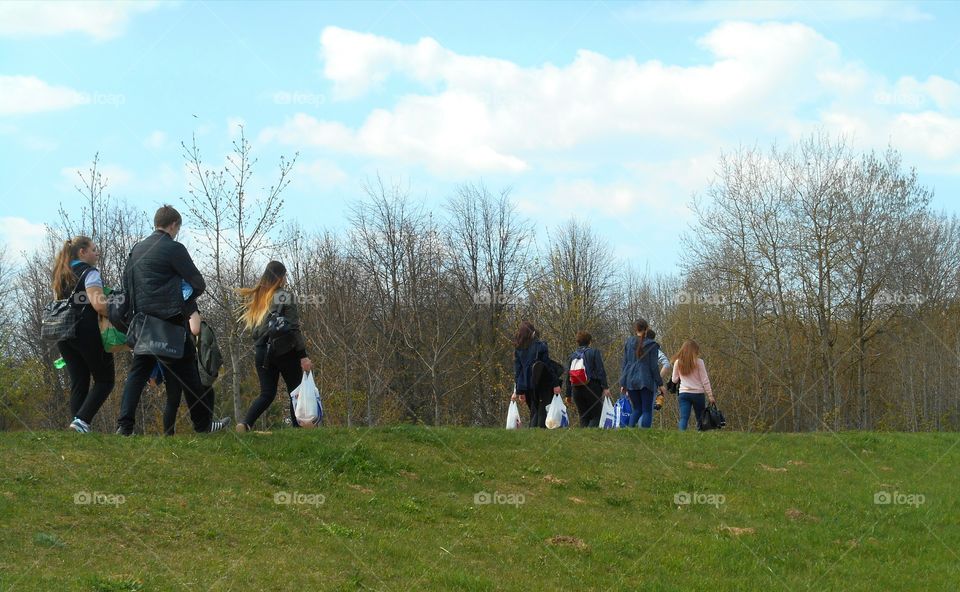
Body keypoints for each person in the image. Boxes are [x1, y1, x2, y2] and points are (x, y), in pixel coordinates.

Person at [115, 205, 230, 435]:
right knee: (190, 376)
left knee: (137, 375)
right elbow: (198, 283)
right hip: (171, 324)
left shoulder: (136, 250)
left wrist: (127, 322)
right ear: (174, 225)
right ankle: (203, 425)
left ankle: (124, 426)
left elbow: (127, 289)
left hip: (144, 325)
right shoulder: (174, 248)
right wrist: (184, 301)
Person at [235, 261, 313, 432]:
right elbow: (294, 328)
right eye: (284, 276)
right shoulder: (284, 296)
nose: (285, 279)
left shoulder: (259, 299)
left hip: (262, 352)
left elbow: (255, 333)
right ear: (279, 277)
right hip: (285, 351)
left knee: (267, 394)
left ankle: (246, 423)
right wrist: (303, 356)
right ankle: (298, 428)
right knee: (296, 391)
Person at [51, 236, 115, 433]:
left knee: (79, 381)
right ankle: (81, 421)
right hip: (86, 331)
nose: (97, 253)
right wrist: (117, 314)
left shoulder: (61, 274)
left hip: (62, 333)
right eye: (94, 250)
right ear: (82, 252)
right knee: (105, 379)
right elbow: (99, 305)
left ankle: (77, 426)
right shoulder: (90, 272)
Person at [511, 321, 561, 428]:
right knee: (542, 409)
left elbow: (518, 371)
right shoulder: (540, 346)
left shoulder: (518, 349)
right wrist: (556, 383)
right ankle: (540, 432)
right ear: (532, 332)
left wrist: (519, 391)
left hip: (526, 385)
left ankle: (533, 431)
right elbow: (548, 366)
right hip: (541, 383)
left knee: (533, 411)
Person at [619, 319, 666, 428]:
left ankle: (630, 430)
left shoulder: (628, 342)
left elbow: (625, 364)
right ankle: (645, 433)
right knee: (646, 410)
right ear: (646, 329)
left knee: (637, 409)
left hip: (630, 380)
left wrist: (623, 383)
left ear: (636, 329)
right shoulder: (652, 345)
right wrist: (660, 384)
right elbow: (654, 366)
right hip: (646, 380)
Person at [564, 331, 610, 427]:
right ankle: (591, 438)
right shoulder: (594, 352)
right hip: (592, 387)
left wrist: (568, 394)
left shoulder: (572, 356)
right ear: (590, 342)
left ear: (578, 342)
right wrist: (605, 387)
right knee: (596, 416)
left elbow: (568, 376)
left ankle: (583, 439)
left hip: (576, 389)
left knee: (583, 416)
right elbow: (600, 370)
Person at [671, 340, 716, 431]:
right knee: (700, 417)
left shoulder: (678, 362)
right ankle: (701, 436)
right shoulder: (699, 362)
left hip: (684, 393)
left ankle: (681, 435)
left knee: (684, 418)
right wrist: (710, 395)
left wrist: (681, 376)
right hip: (698, 394)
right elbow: (705, 380)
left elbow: (674, 380)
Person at [647, 329, 672, 410]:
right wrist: (658, 379)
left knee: (638, 410)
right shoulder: (655, 350)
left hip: (636, 383)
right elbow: (667, 364)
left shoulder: (636, 350)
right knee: (648, 410)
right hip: (650, 383)